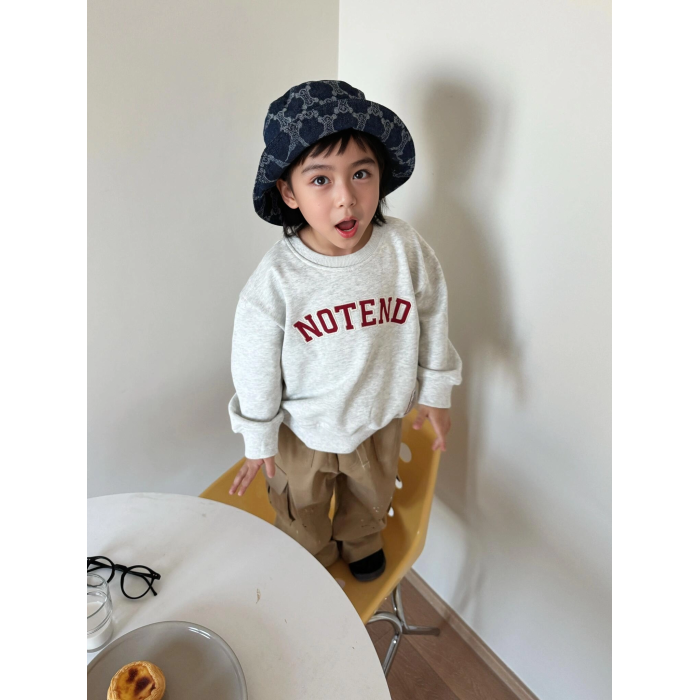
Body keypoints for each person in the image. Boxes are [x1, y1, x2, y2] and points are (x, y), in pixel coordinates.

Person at [227, 80, 463, 581]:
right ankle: (309, 554)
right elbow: (254, 363)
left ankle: (360, 540)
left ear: (380, 176)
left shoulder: (404, 248)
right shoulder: (277, 279)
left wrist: (436, 392)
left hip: (378, 420)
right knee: (301, 507)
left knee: (371, 496)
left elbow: (432, 313)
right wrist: (258, 436)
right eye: (320, 180)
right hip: (302, 432)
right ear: (288, 192)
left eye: (360, 174)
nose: (346, 199)